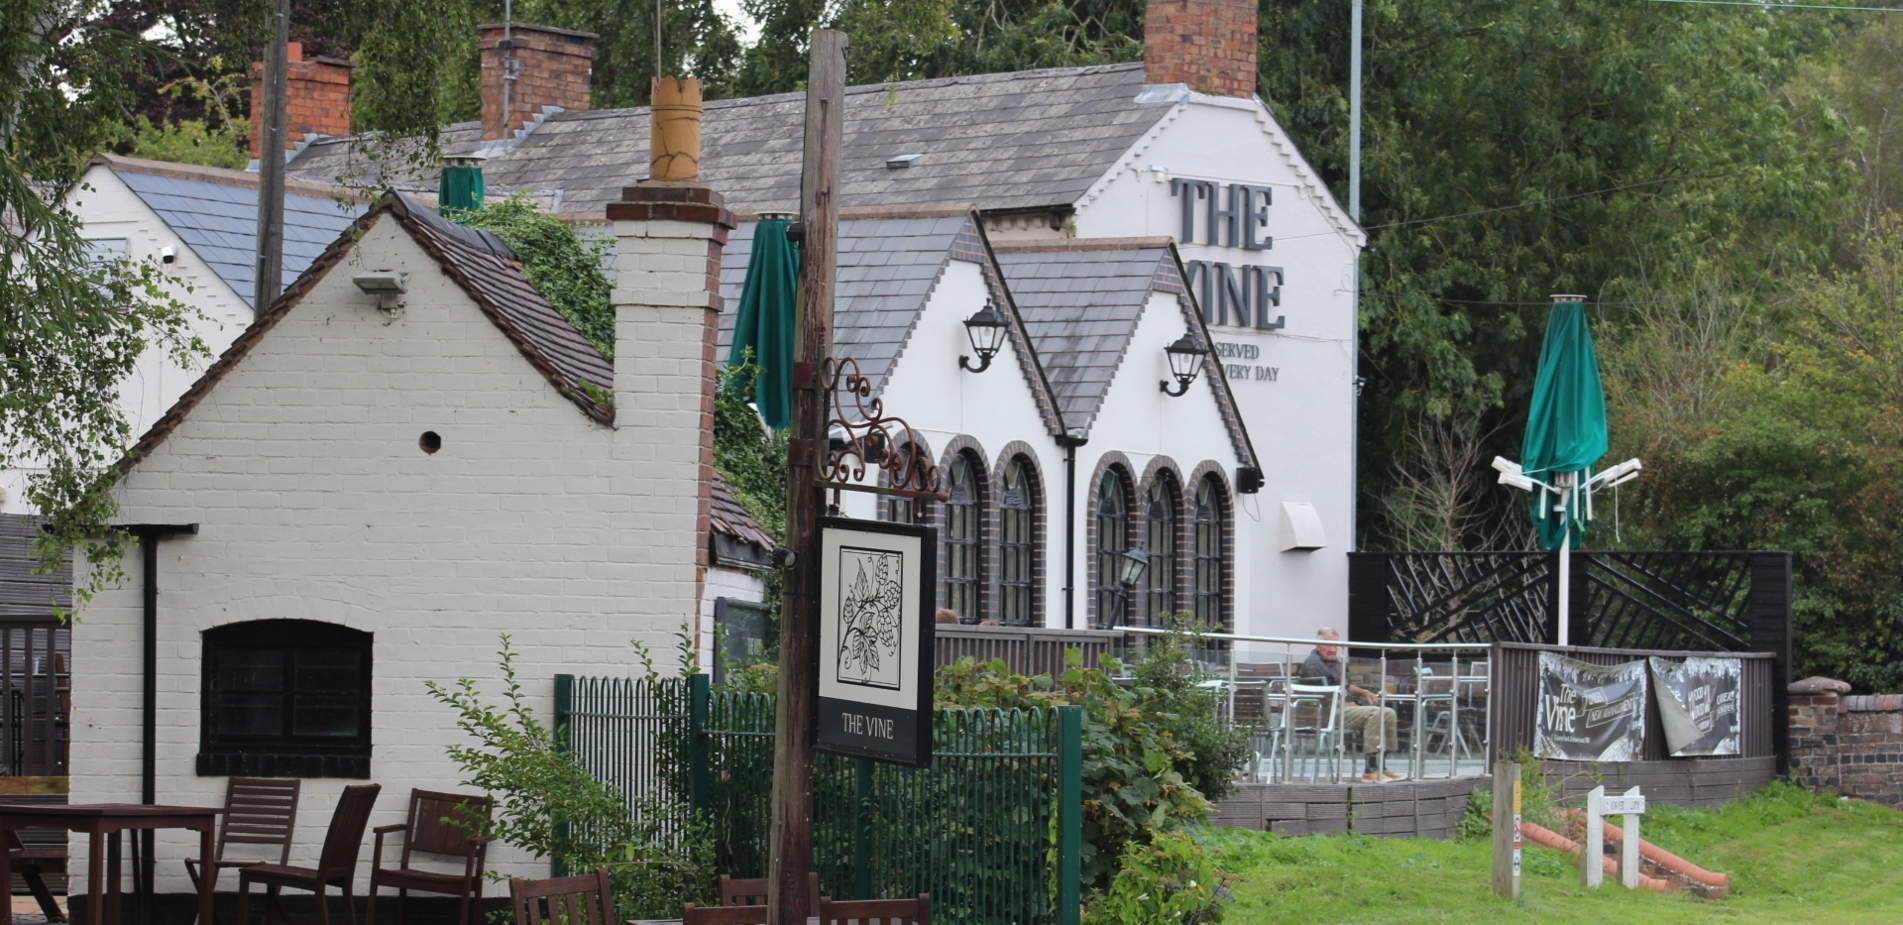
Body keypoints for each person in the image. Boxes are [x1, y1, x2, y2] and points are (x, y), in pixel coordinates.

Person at [1299, 627, 1405, 782]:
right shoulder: (1313, 665)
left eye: (1336, 645)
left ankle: (1381, 766)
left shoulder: (1334, 662)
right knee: (1375, 714)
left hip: (1341, 708)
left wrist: (1364, 693)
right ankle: (1370, 770)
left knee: (1388, 712)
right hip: (1325, 713)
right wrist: (1345, 705)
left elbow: (1345, 684)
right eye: (1329, 645)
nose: (1333, 649)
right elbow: (1323, 696)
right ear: (1317, 645)